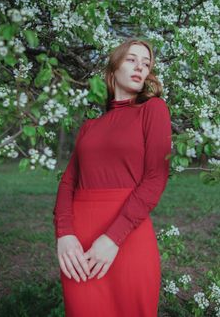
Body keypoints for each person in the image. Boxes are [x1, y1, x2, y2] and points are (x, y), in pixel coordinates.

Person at [53, 37, 172, 317]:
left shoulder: (153, 110)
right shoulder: (89, 127)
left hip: (128, 238)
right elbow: (68, 182)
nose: (139, 67)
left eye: (146, 63)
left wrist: (112, 239)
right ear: (113, 68)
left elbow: (156, 179)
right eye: (131, 59)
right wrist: (64, 234)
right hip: (78, 248)